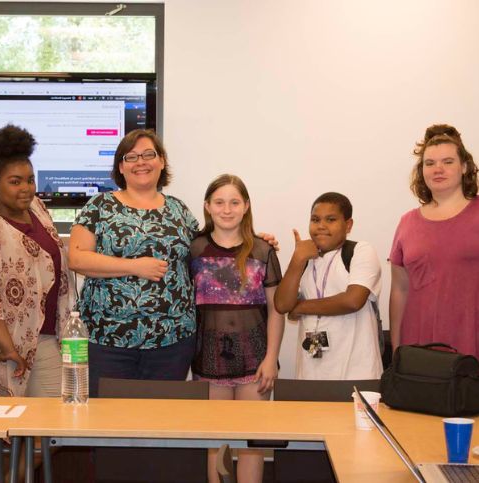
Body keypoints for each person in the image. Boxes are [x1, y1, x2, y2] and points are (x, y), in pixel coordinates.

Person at [69, 129, 199, 397]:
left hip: (171, 340)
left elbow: (206, 250)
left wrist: (251, 240)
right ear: (121, 166)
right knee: (106, 425)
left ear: (161, 161)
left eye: (148, 154)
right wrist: (134, 266)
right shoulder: (99, 206)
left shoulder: (178, 209)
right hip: (107, 339)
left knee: (161, 424)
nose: (141, 162)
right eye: (131, 157)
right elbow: (77, 258)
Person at [0, 124, 74, 397]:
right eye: (15, 181)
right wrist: (9, 349)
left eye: (30, 179)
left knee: (53, 424)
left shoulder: (39, 209)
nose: (26, 188)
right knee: (4, 427)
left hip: (44, 337)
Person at [190, 174, 284, 483]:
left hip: (255, 361)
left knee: (251, 444)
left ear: (246, 206)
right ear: (207, 207)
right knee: (215, 443)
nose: (226, 209)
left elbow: (276, 310)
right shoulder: (194, 250)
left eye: (234, 202)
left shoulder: (262, 251)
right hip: (208, 360)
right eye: (219, 202)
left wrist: (271, 358)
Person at [389, 124, 479, 357]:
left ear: (464, 167)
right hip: (420, 351)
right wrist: (397, 350)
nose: (438, 169)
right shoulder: (407, 223)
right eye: (430, 163)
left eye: (448, 162)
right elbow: (399, 289)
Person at [275, 192, 383, 379]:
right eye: (315, 220)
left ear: (348, 225)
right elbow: (282, 305)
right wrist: (297, 259)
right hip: (309, 374)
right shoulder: (304, 260)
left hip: (357, 373)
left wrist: (300, 307)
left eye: (331, 219)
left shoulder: (360, 251)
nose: (321, 226)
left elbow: (352, 301)